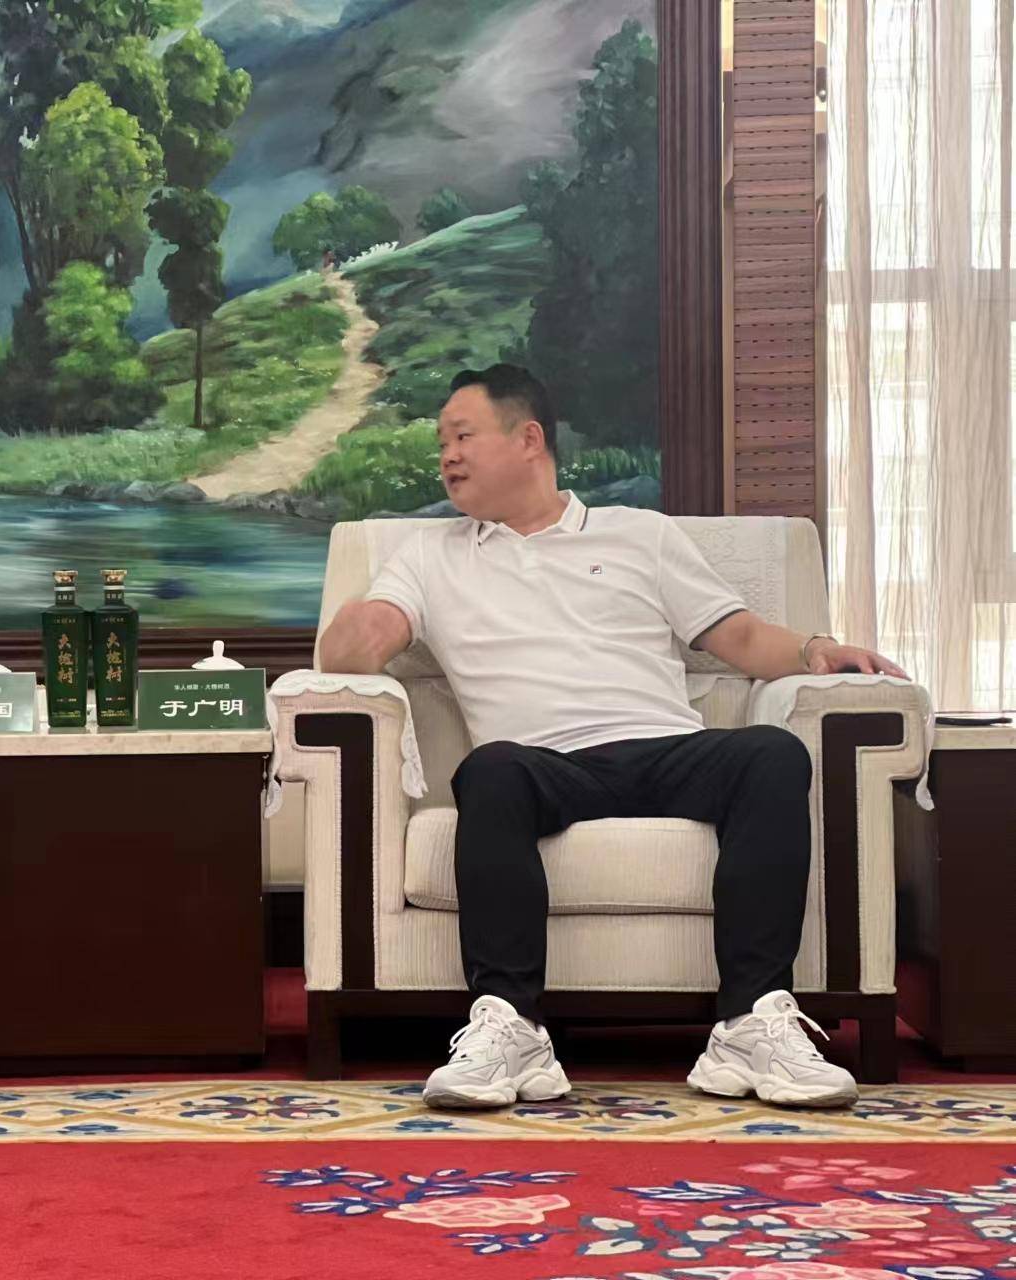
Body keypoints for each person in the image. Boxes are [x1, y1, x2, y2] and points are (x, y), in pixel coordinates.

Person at [318, 364, 907, 1110]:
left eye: (462, 436)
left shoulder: (639, 534)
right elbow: (352, 650)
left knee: (771, 753)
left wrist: (817, 648)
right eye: (442, 444)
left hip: (663, 749)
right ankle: (512, 1028)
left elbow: (742, 638)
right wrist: (362, 624)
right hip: (541, 766)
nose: (447, 457)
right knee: (489, 771)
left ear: (529, 439)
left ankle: (750, 1025)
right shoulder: (430, 555)